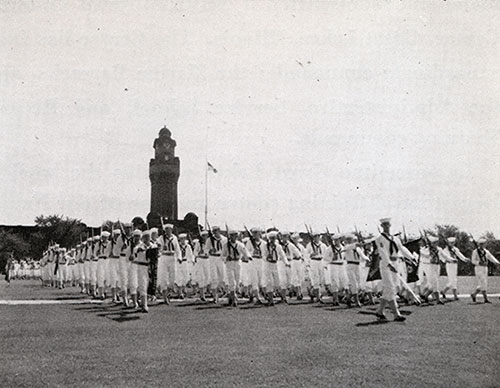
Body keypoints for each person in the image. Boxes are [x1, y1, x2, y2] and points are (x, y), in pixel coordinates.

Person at [374, 218, 416, 322]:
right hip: (386, 264)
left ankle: (380, 311)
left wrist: (412, 257)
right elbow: (382, 252)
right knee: (390, 287)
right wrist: (388, 263)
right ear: (382, 226)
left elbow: (402, 249)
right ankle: (396, 314)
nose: (387, 226)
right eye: (384, 225)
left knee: (392, 288)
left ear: (390, 225)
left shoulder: (395, 238)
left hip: (396, 263)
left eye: (388, 224)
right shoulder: (379, 238)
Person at [222, 229, 251, 307]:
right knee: (231, 281)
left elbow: (245, 252)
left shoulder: (240, 245)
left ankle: (232, 296)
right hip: (229, 263)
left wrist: (248, 257)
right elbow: (222, 255)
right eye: (232, 235)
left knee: (238, 281)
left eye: (235, 235)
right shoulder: (225, 245)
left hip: (238, 262)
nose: (233, 237)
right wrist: (226, 258)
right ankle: (234, 299)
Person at [470, 238, 500, 303]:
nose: (482, 245)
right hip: (478, 268)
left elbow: (491, 257)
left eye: (483, 244)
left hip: (485, 268)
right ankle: (485, 298)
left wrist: (497, 262)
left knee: (484, 284)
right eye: (480, 244)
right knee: (483, 282)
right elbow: (473, 261)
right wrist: (478, 262)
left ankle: (474, 294)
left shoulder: (486, 251)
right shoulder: (475, 251)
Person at [130, 230, 154, 313]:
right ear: (143, 238)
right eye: (146, 237)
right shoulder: (138, 247)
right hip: (141, 267)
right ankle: (144, 305)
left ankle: (145, 301)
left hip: (150, 267)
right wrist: (135, 254)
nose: (147, 238)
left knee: (148, 285)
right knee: (143, 285)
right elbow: (134, 254)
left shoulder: (153, 246)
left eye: (149, 237)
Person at [157, 224, 180, 304]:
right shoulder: (161, 238)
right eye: (166, 229)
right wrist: (161, 248)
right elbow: (158, 247)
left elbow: (177, 249)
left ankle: (169, 292)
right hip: (164, 257)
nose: (168, 231)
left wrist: (179, 257)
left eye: (169, 229)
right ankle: (164, 297)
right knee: (164, 277)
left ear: (172, 230)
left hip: (172, 257)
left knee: (172, 278)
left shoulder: (175, 238)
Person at [265, 231, 289, 305]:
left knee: (278, 282)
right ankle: (271, 300)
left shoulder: (278, 246)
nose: (273, 240)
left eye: (274, 238)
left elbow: (282, 255)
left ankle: (282, 297)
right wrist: (266, 257)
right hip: (268, 264)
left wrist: (286, 262)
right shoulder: (265, 246)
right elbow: (263, 254)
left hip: (276, 264)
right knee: (269, 282)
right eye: (271, 238)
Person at [206, 226, 228, 304]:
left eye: (216, 231)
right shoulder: (209, 240)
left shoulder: (224, 239)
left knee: (222, 277)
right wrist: (210, 250)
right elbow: (206, 249)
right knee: (214, 277)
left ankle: (222, 290)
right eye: (213, 231)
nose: (215, 232)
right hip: (213, 258)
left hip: (221, 258)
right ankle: (215, 296)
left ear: (219, 230)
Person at [305, 232, 327, 303]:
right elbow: (305, 255)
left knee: (321, 279)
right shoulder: (309, 245)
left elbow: (326, 254)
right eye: (315, 236)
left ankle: (316, 293)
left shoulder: (323, 245)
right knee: (315, 278)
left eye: (318, 236)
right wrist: (311, 254)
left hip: (321, 261)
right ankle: (317, 296)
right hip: (314, 261)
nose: (316, 238)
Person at [282, 232, 304, 301]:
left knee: (300, 277)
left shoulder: (299, 246)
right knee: (293, 278)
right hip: (292, 262)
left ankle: (293, 290)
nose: (295, 239)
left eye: (296, 238)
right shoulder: (284, 245)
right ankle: (298, 293)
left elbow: (301, 254)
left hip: (298, 262)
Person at [193, 230, 211, 301]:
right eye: (203, 236)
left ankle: (208, 291)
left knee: (208, 276)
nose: (205, 237)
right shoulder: (198, 243)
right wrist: (198, 253)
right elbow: (195, 252)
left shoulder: (210, 243)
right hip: (200, 260)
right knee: (201, 277)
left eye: (206, 235)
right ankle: (202, 294)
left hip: (207, 260)